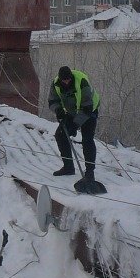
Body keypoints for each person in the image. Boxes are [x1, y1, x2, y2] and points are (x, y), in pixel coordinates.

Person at [47, 65, 104, 195]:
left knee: (87, 140)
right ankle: (68, 167)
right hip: (73, 112)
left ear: (71, 77)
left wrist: (75, 125)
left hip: (89, 111)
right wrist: (58, 110)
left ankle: (89, 173)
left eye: (68, 80)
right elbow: (52, 101)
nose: (66, 82)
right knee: (60, 135)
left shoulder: (81, 81)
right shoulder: (56, 83)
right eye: (64, 80)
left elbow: (87, 108)